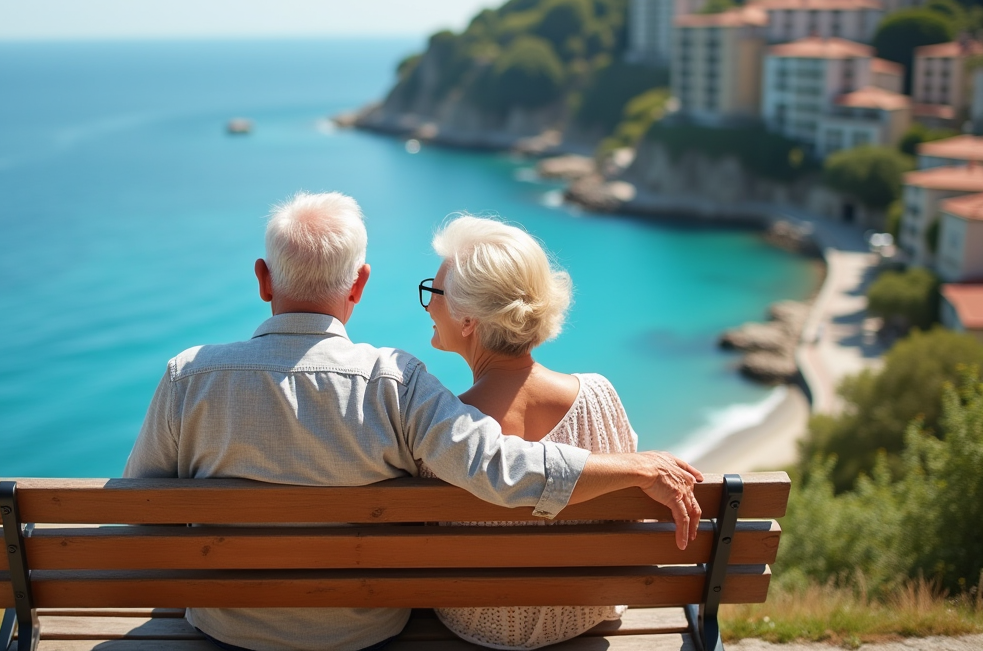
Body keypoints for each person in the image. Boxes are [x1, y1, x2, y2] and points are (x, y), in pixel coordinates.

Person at [125, 191, 702, 651]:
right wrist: (632, 466)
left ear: (263, 278)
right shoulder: (397, 382)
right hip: (363, 632)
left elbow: (139, 517)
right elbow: (502, 468)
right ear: (359, 283)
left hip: (229, 630)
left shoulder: (187, 377)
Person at [419, 215, 639, 649]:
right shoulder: (600, 397)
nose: (428, 305)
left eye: (435, 293)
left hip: (476, 625)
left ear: (468, 322)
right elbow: (629, 517)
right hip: (586, 612)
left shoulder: (443, 428)